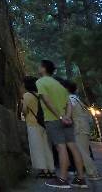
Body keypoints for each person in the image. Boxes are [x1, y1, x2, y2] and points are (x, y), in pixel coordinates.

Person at [37, 60, 88, 189]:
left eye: (40, 66)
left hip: (53, 120)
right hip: (66, 120)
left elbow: (47, 101)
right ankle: (81, 178)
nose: (38, 68)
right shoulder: (59, 84)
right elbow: (68, 103)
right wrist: (67, 117)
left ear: (43, 69)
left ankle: (63, 179)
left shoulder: (40, 82)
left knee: (61, 148)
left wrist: (60, 116)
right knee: (73, 147)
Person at [65, 80, 102, 181]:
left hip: (79, 127)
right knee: (84, 151)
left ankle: (93, 173)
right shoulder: (77, 99)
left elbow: (68, 114)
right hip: (84, 126)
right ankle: (86, 172)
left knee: (82, 152)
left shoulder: (70, 99)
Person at [23, 76, 56, 178]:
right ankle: (51, 169)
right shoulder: (41, 95)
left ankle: (44, 170)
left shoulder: (27, 95)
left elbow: (24, 111)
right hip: (44, 124)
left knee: (37, 148)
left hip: (33, 124)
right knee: (47, 147)